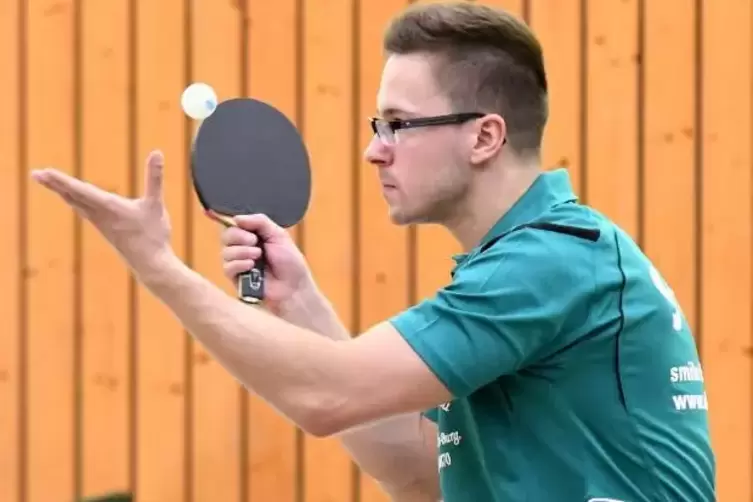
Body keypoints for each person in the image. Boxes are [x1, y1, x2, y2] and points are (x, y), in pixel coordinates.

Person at [32, 2, 716, 501]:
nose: (372, 149)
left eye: (397, 125)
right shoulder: (538, 262)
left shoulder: (548, 264)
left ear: (483, 138)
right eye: (376, 125)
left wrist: (157, 264)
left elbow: (326, 396)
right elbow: (418, 470)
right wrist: (298, 302)